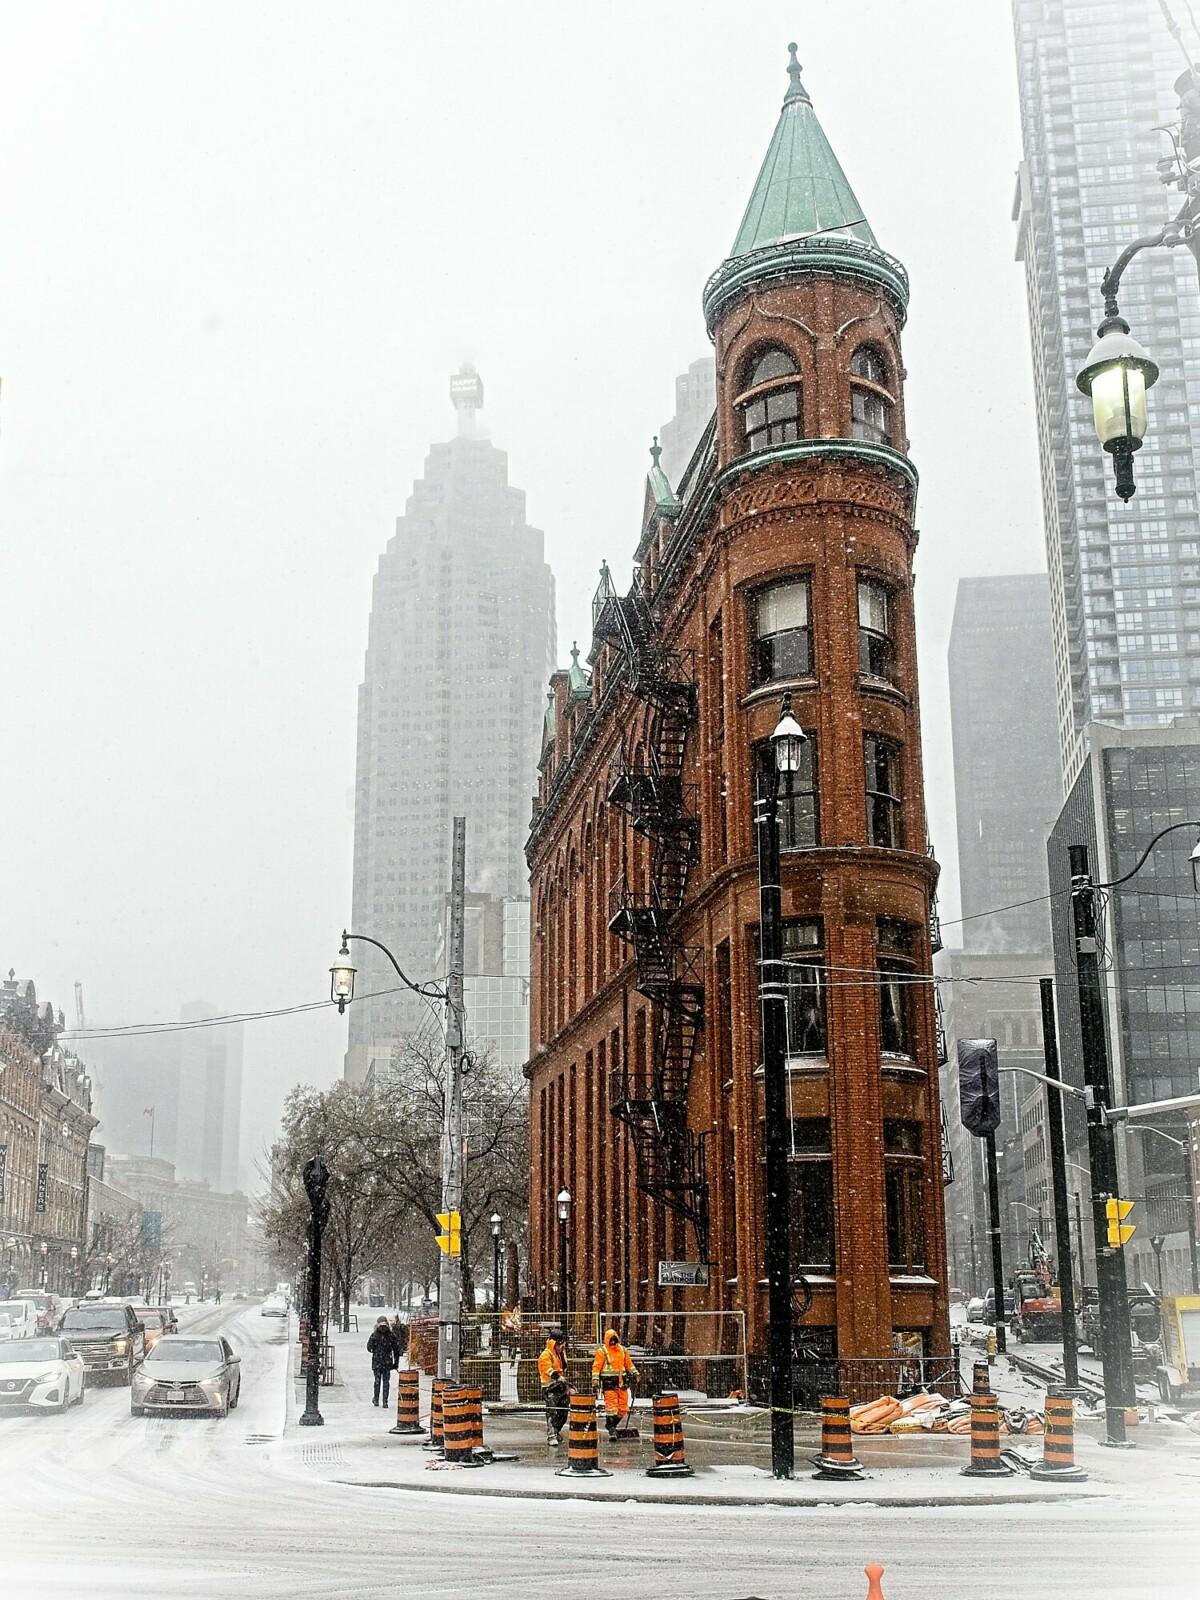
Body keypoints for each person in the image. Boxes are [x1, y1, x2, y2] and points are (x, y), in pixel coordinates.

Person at [592, 1327, 638, 1440]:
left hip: (621, 1383)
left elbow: (628, 1364)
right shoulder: (602, 1351)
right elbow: (596, 1367)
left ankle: (611, 1425)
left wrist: (635, 1373)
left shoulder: (623, 1350)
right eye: (610, 1340)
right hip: (608, 1383)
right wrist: (595, 1379)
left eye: (614, 1339)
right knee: (611, 1407)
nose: (612, 1342)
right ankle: (612, 1429)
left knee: (623, 1408)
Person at [537, 1332, 569, 1446]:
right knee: (552, 1412)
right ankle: (551, 1435)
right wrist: (557, 1377)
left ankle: (556, 1431)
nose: (561, 1347)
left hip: (560, 1386)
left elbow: (563, 1367)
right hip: (550, 1387)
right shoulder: (546, 1355)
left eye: (562, 1344)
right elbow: (548, 1369)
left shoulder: (560, 1354)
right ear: (553, 1343)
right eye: (559, 1344)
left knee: (563, 1412)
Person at [367, 1315, 399, 1406]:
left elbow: (369, 1348)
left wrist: (375, 1351)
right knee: (386, 1382)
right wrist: (395, 1363)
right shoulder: (391, 1335)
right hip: (387, 1362)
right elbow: (396, 1350)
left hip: (377, 1362)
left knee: (377, 1381)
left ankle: (376, 1399)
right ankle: (385, 1401)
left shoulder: (374, 1335)